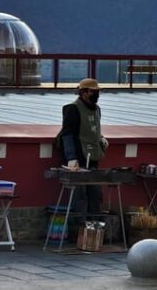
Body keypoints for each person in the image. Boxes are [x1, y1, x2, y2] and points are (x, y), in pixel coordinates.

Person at [56, 78, 109, 218]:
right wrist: (71, 158)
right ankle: (79, 229)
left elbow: (93, 129)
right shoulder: (72, 109)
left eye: (97, 91)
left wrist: (101, 138)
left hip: (93, 157)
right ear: (84, 92)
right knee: (80, 196)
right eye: (93, 91)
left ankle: (94, 227)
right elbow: (67, 135)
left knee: (96, 194)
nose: (96, 94)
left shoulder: (96, 110)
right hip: (79, 159)